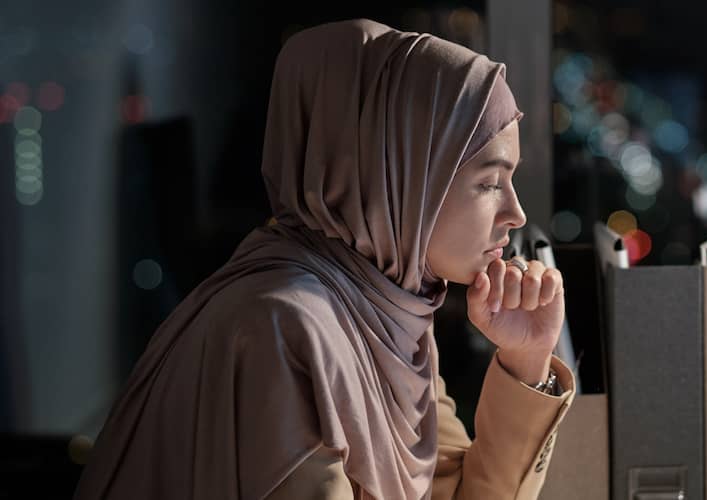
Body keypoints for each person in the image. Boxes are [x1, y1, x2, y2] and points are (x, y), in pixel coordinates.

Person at [74, 19, 574, 500]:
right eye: (489, 182)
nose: (515, 212)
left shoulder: (384, 316)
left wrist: (526, 362)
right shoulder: (285, 326)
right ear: (397, 177)